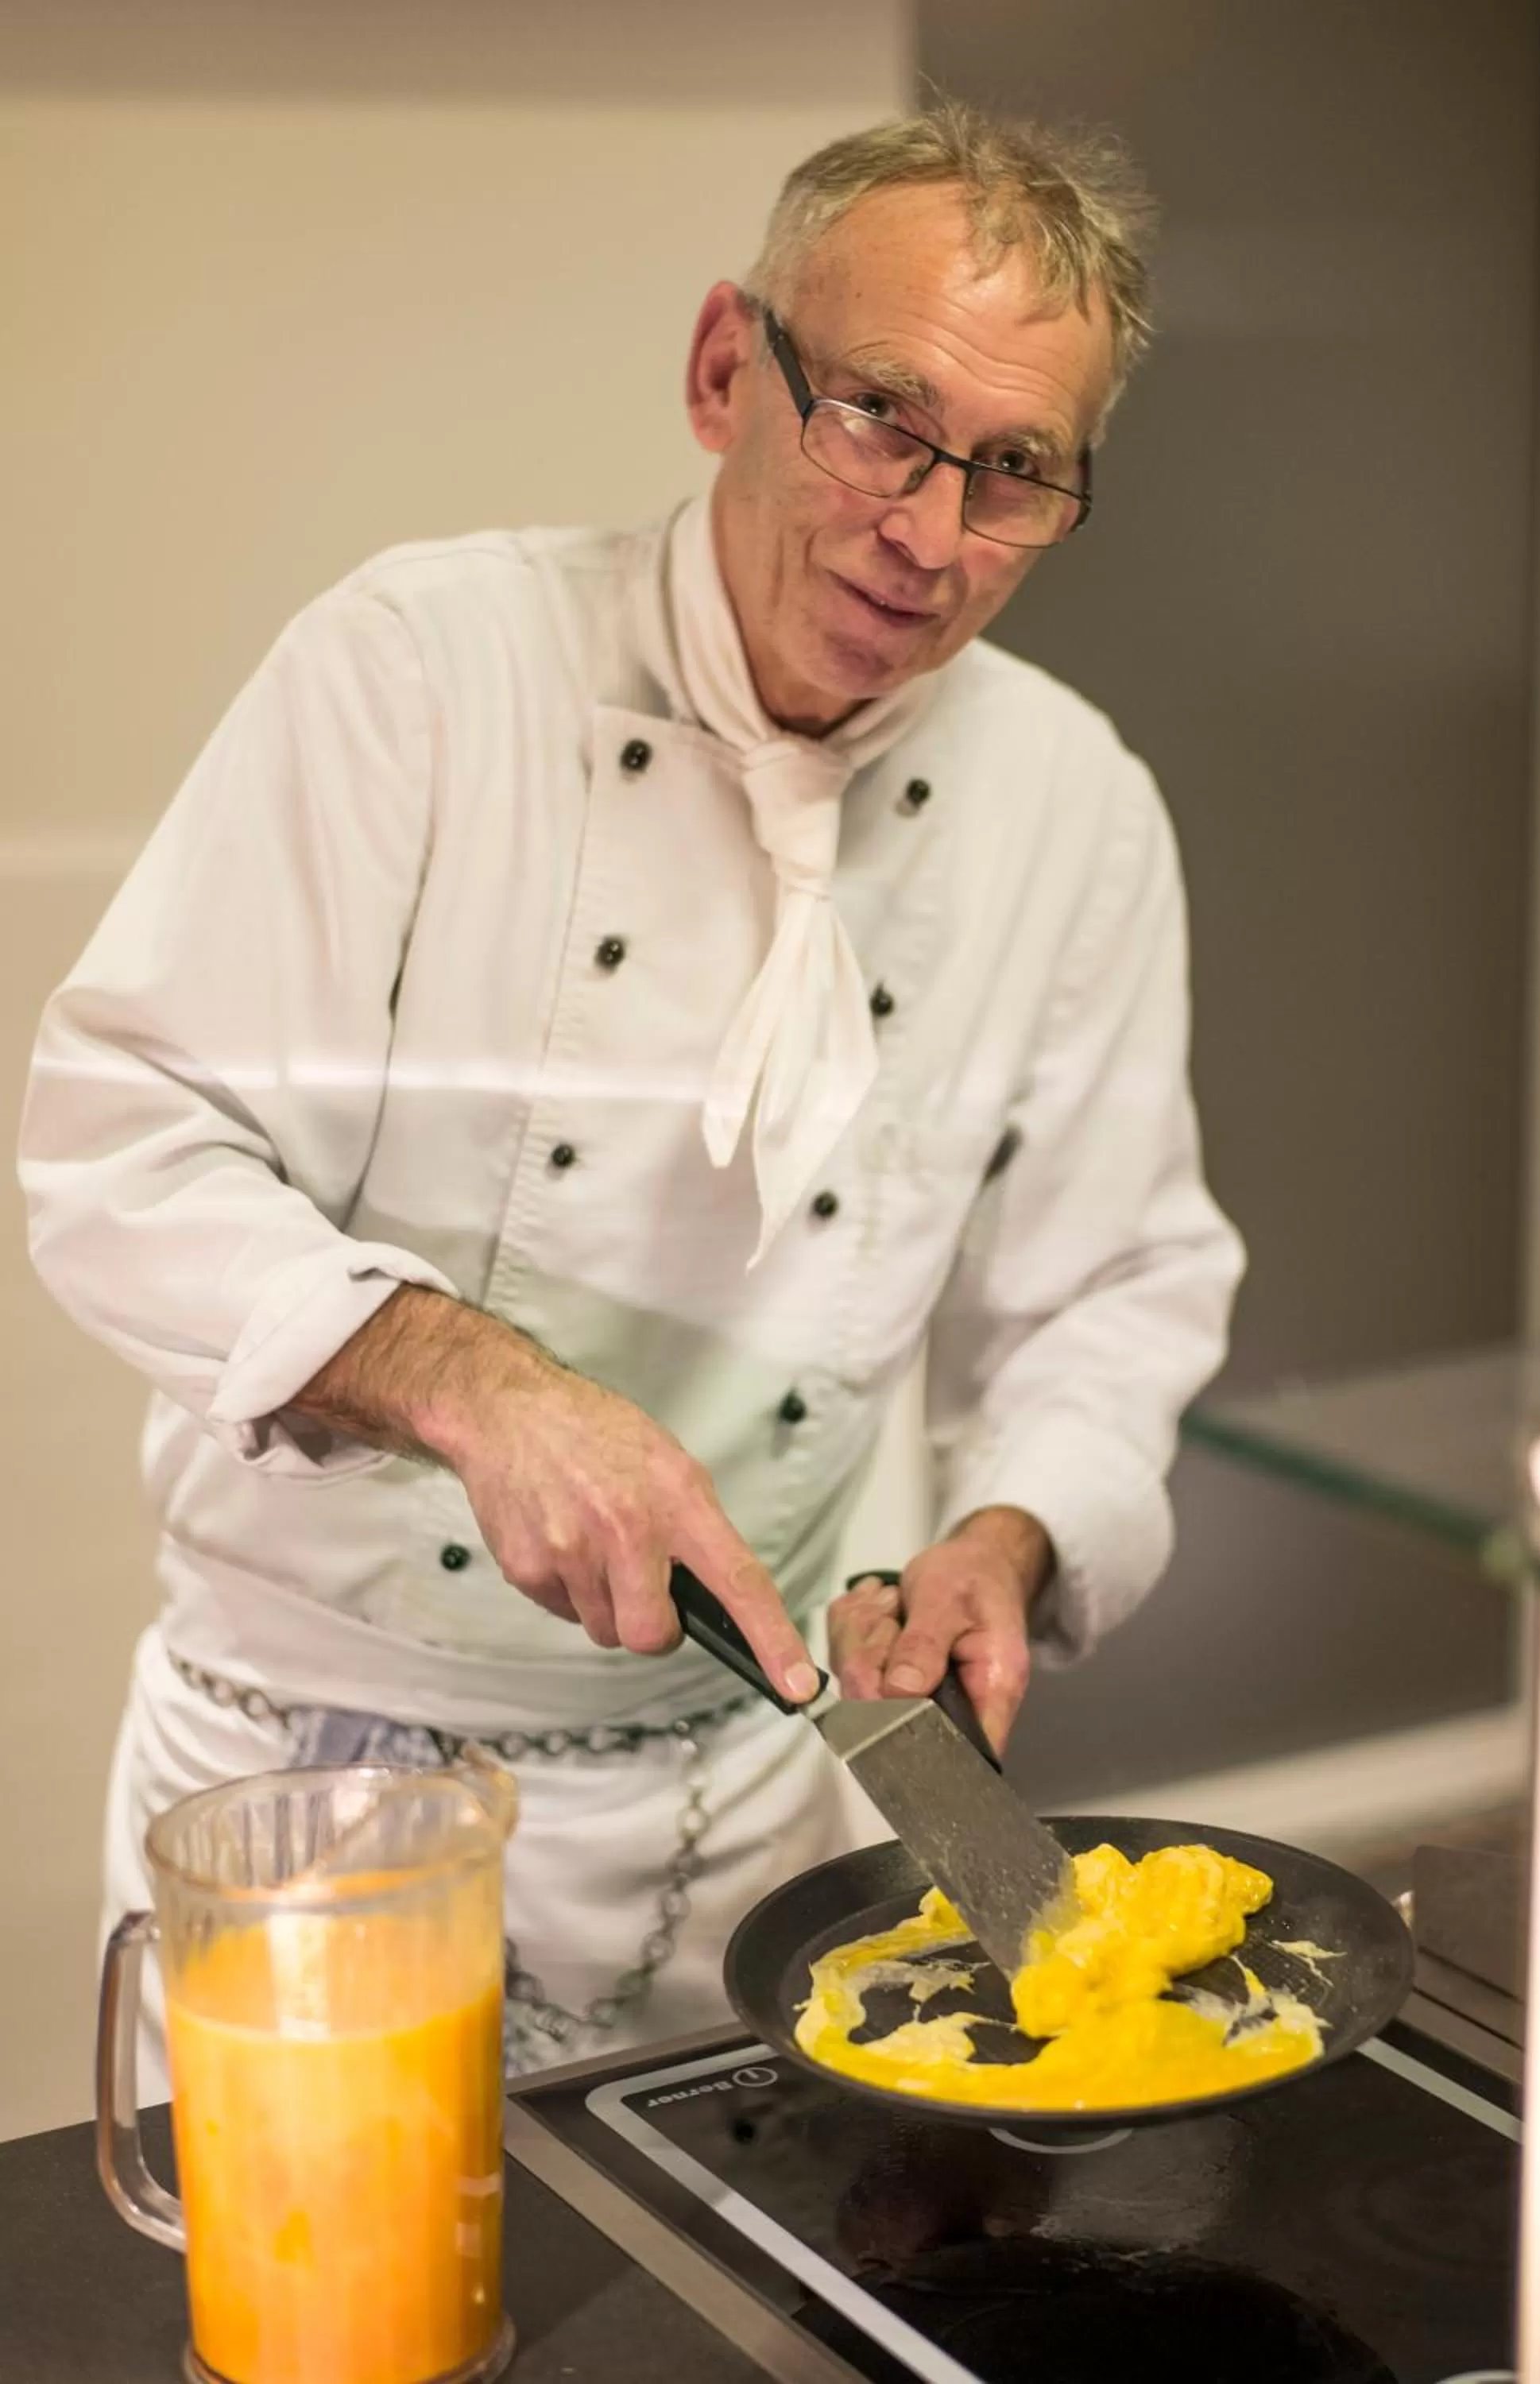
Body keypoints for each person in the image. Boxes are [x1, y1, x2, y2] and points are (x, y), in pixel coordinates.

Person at [18, 104, 1243, 2078]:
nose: (927, 536)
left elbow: (1116, 1284)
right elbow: (122, 1143)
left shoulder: (1074, 807)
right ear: (717, 373)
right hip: (330, 1804)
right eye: (876, 418)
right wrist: (474, 1383)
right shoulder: (424, 670)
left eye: (1012, 474)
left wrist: (1008, 1532)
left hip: (773, 1822)